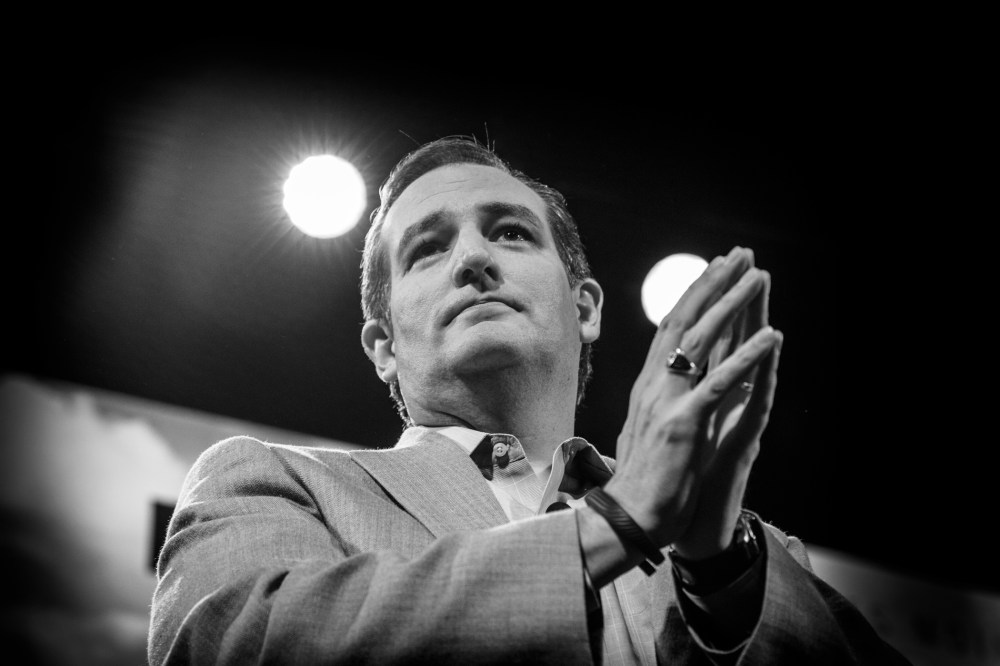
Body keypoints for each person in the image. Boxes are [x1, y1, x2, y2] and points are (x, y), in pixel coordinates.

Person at [148, 136, 911, 664]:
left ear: (585, 307)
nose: (474, 258)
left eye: (509, 233)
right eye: (428, 249)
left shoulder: (756, 555)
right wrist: (617, 522)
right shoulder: (273, 481)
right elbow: (232, 647)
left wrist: (719, 573)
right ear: (383, 345)